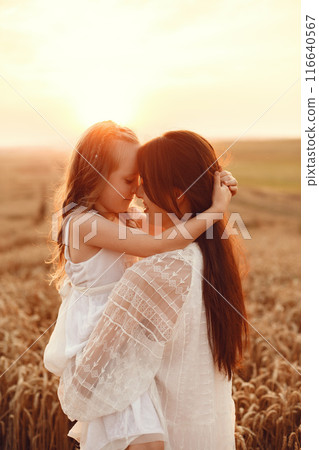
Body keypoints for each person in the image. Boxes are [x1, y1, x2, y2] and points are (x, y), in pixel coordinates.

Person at [44, 122, 238, 450]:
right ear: (95, 175)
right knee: (146, 440)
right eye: (129, 180)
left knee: (150, 439)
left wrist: (213, 184)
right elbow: (157, 244)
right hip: (99, 339)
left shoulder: (118, 214)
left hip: (125, 338)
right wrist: (215, 212)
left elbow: (172, 217)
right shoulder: (83, 222)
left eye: (140, 181)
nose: (136, 191)